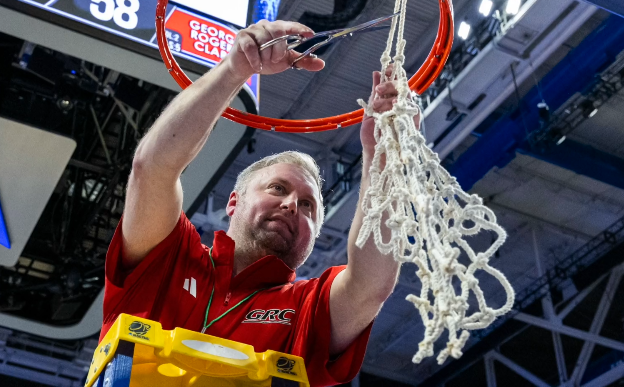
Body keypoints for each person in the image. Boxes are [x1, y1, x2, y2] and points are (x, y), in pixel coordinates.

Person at [101, 20, 410, 386]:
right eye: (278, 189)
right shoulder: (169, 257)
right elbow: (151, 168)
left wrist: (384, 160)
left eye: (309, 206)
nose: (293, 204)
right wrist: (236, 69)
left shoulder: (304, 306)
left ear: (314, 236)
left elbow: (370, 286)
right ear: (234, 201)